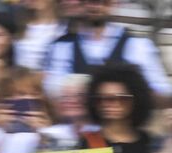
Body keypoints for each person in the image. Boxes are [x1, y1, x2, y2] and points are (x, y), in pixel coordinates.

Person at [43, 0, 171, 98]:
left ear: (114, 3)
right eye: (89, 1)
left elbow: (161, 89)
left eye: (102, 1)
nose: (95, 6)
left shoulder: (137, 45)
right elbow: (52, 89)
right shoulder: (62, 46)